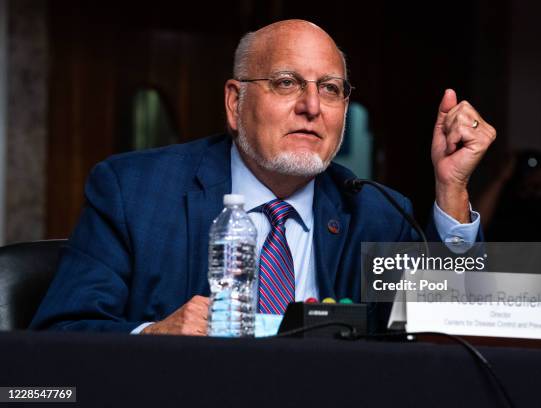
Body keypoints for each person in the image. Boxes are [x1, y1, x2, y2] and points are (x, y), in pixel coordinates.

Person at [30, 20, 495, 335]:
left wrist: (452, 187)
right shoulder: (134, 192)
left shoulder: (375, 211)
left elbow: (447, 333)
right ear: (236, 103)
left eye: (330, 89)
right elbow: (60, 335)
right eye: (287, 83)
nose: (312, 107)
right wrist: (153, 335)